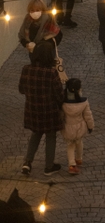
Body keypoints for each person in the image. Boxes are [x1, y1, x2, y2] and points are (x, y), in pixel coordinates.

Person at [19, 42, 64, 176]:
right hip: (49, 111)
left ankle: (27, 162)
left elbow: (21, 89)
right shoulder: (51, 73)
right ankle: (49, 166)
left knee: (35, 134)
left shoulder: (26, 69)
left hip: (32, 109)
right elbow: (59, 94)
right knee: (50, 136)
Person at [60, 78, 94, 175]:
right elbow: (88, 116)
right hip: (80, 127)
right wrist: (90, 126)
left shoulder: (63, 102)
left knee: (70, 145)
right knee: (79, 142)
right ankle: (79, 159)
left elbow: (61, 115)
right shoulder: (83, 102)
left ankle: (72, 164)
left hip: (68, 127)